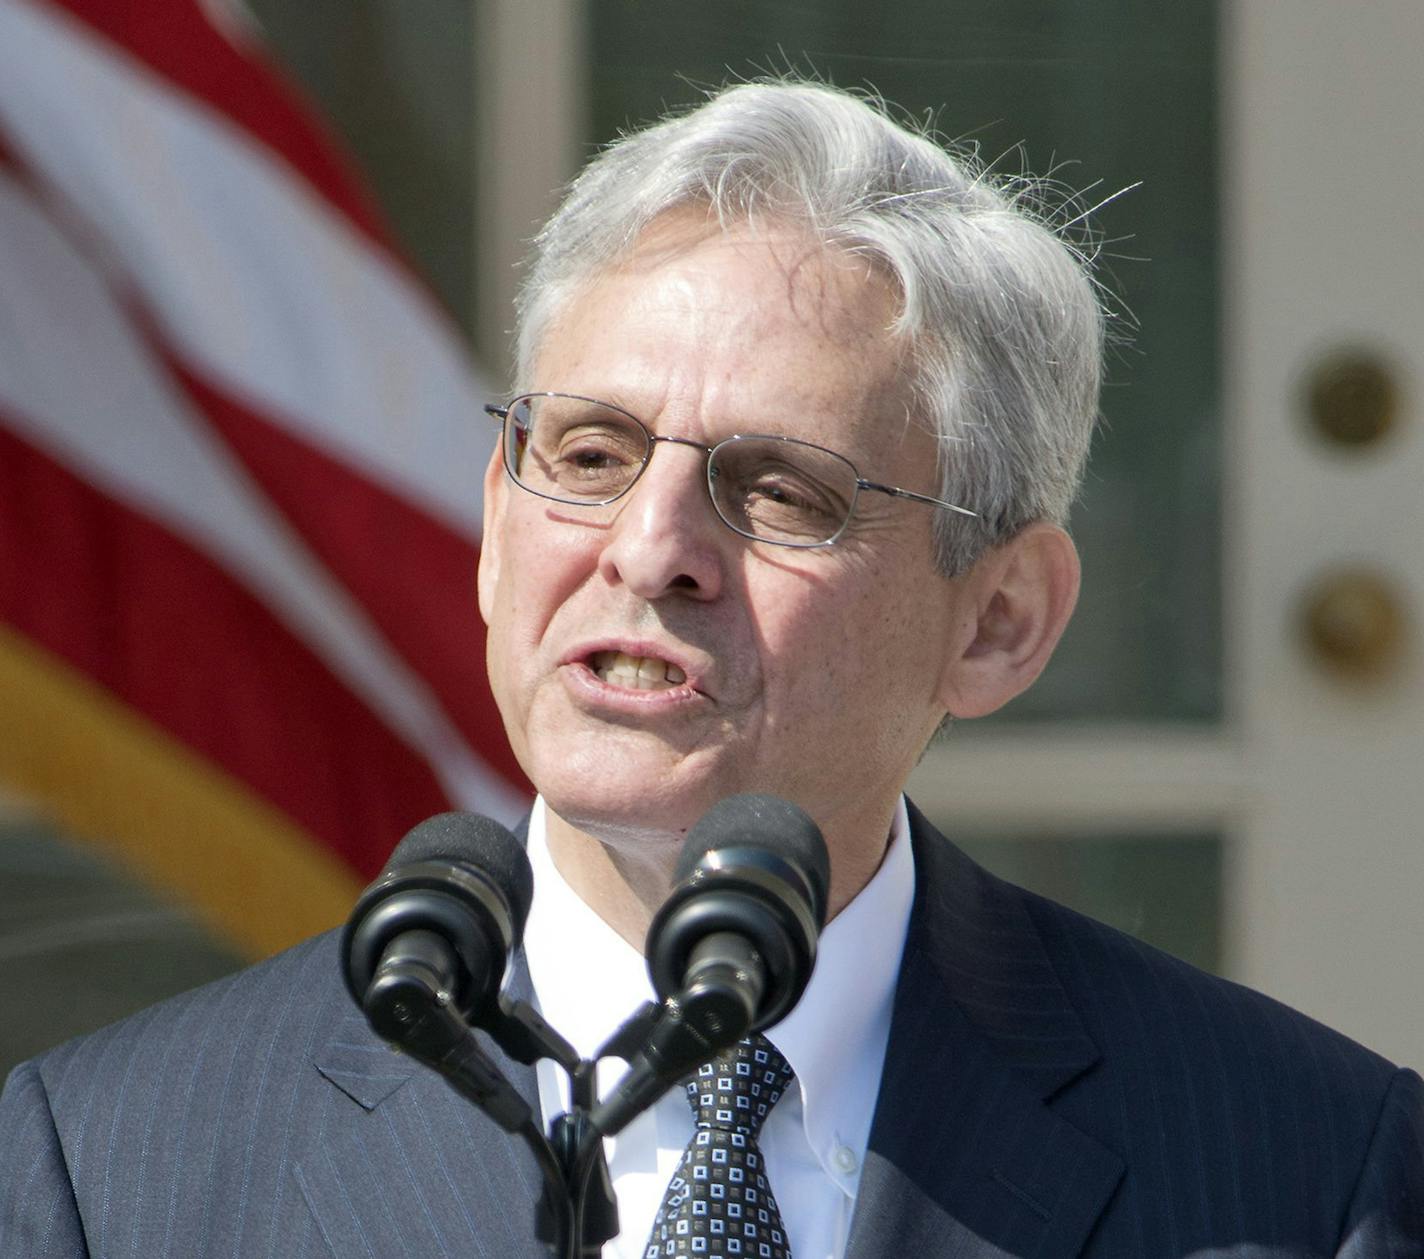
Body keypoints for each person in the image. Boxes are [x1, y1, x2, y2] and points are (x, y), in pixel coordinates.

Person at [2, 80, 1420, 1259]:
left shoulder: (1316, 1177)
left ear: (998, 621)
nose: (651, 548)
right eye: (592, 457)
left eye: (780, 490)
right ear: (498, 529)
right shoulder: (108, 1172)